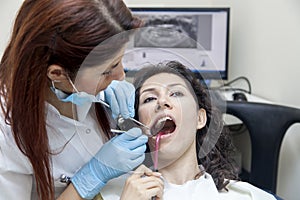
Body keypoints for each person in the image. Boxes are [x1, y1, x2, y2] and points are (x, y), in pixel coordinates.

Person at [0, 0, 151, 199]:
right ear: (57, 73)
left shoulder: (97, 91)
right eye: (107, 70)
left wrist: (104, 82)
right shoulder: (6, 131)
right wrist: (90, 178)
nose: (121, 76)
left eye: (120, 61)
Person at [100, 61, 276, 200]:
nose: (162, 102)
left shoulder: (247, 196)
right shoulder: (115, 192)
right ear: (140, 126)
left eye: (176, 93)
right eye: (150, 98)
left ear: (200, 118)